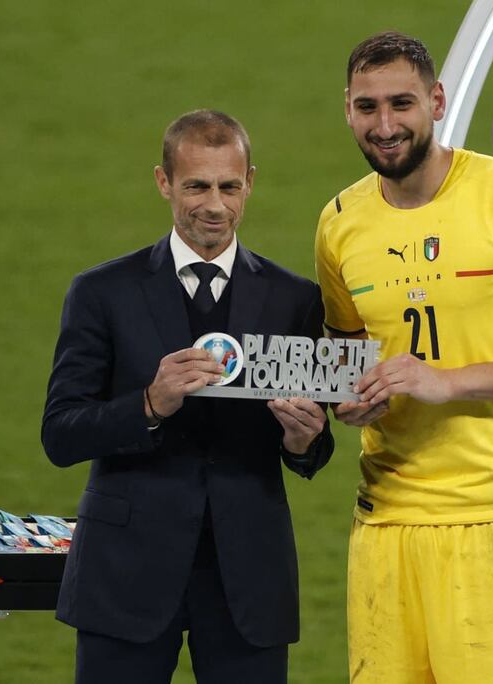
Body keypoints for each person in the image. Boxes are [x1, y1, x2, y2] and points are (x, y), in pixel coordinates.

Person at [314, 32, 493, 683]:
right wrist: (347, 400)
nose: (385, 126)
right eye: (368, 108)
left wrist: (446, 383)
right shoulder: (339, 224)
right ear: (347, 109)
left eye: (402, 103)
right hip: (385, 530)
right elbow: (344, 363)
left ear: (437, 100)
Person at [43, 109, 333, 684]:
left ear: (250, 182)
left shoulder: (294, 300)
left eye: (229, 186)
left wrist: (306, 440)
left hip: (247, 578)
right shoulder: (102, 292)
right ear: (164, 183)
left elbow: (313, 448)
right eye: (197, 185)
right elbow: (61, 433)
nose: (215, 205)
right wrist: (148, 403)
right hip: (125, 574)